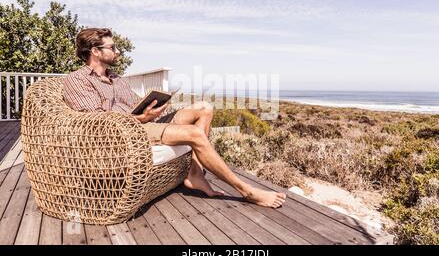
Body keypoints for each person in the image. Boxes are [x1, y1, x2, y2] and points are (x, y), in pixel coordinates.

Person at [63, 28, 286, 208]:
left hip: (143, 122)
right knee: (195, 134)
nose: (118, 51)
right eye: (112, 47)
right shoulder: (77, 80)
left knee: (204, 108)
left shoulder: (116, 78)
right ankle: (247, 191)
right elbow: (97, 123)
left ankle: (195, 175)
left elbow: (134, 104)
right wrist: (143, 118)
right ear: (95, 51)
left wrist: (154, 106)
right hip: (127, 132)